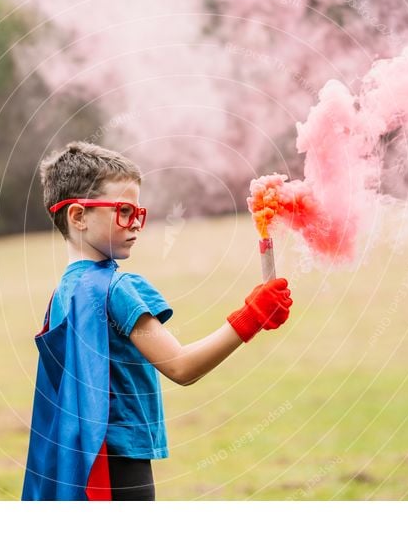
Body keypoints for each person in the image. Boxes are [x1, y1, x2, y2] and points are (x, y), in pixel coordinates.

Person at [21, 141, 293, 501]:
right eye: (123, 211)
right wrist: (251, 317)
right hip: (121, 463)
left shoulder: (63, 293)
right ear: (78, 216)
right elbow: (182, 367)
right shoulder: (116, 288)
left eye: (138, 212)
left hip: (82, 461)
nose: (135, 224)